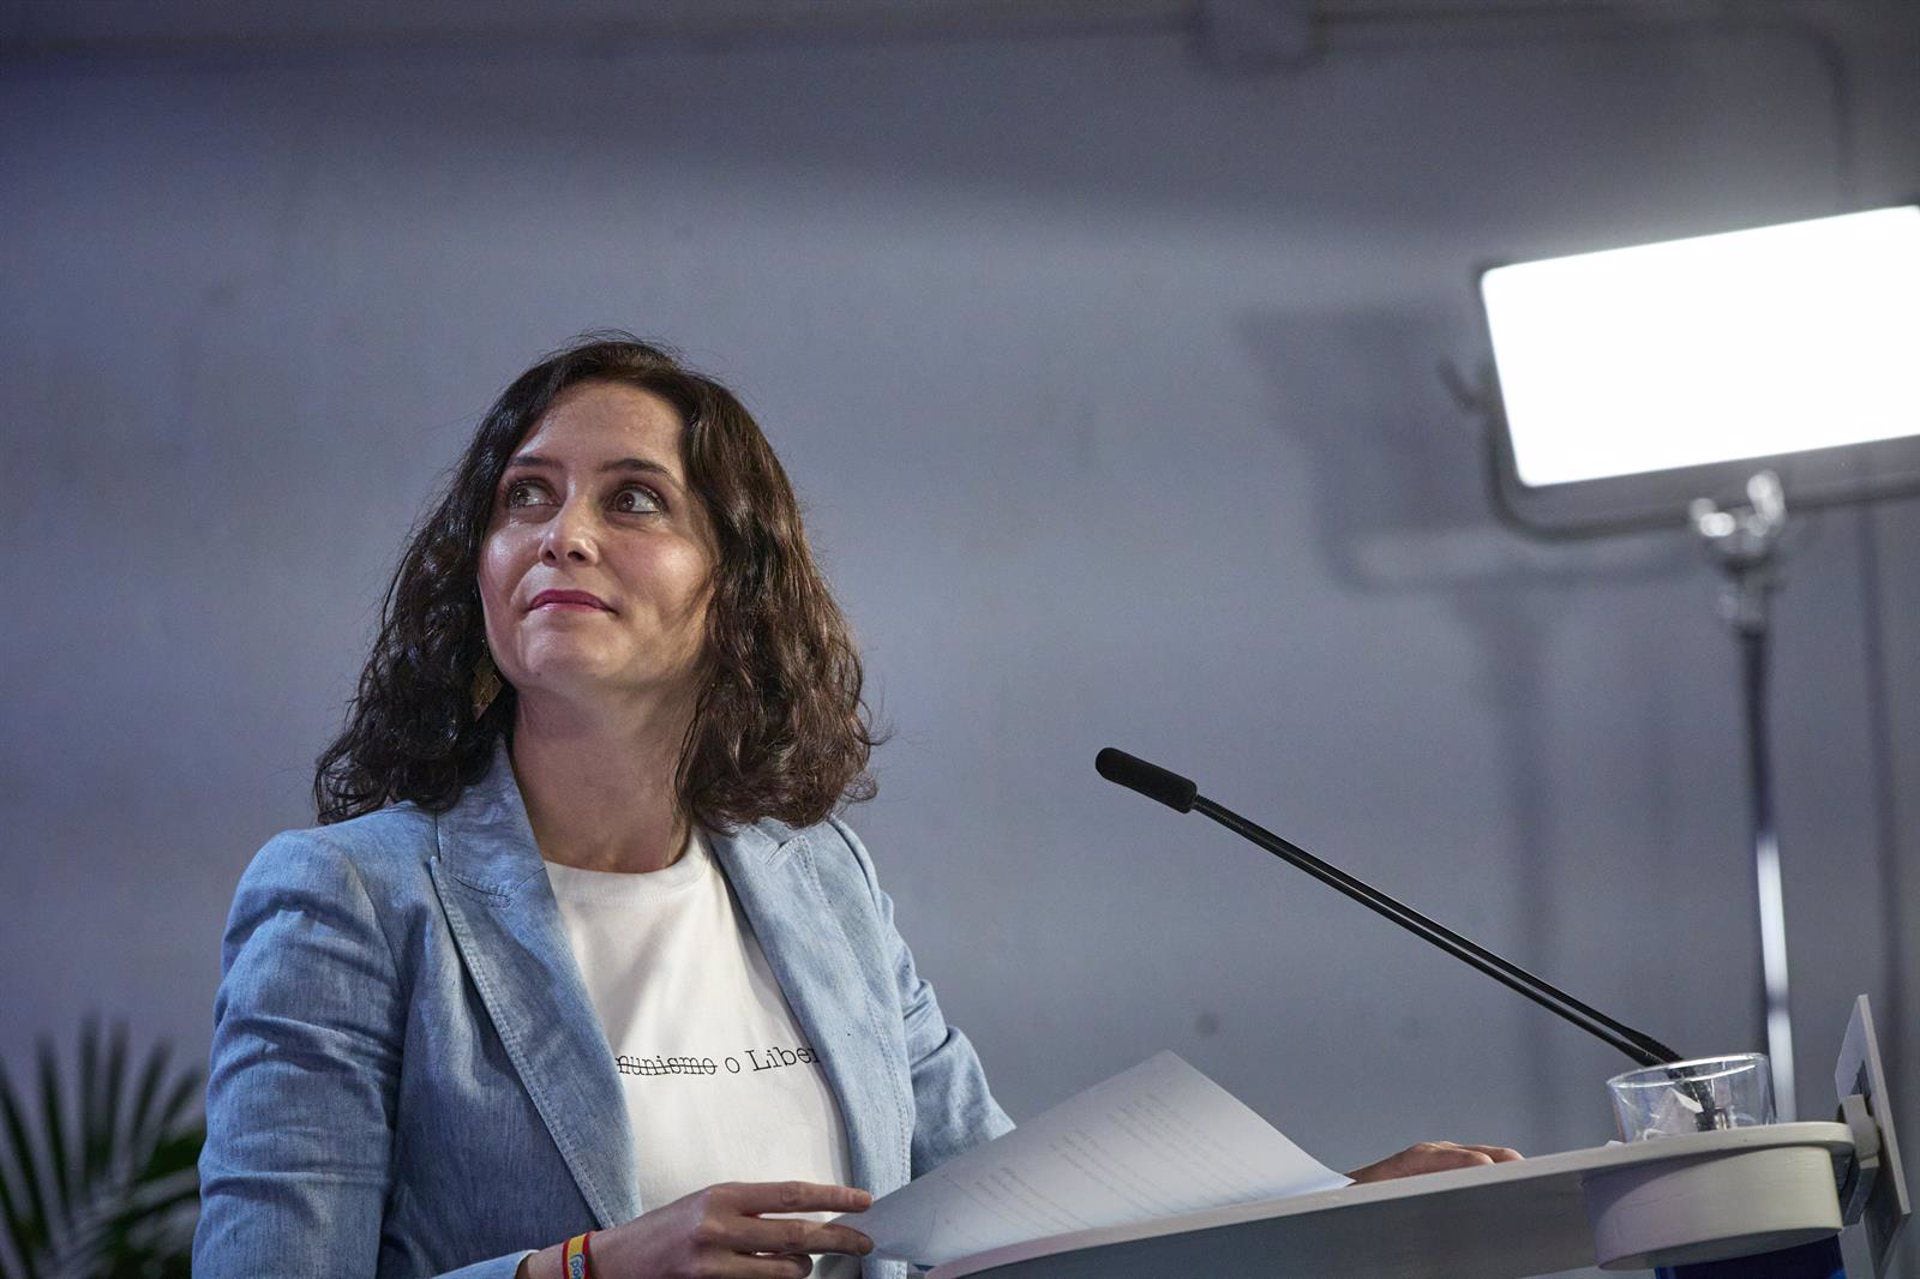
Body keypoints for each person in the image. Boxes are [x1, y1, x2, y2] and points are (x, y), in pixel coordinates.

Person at [193, 334, 1518, 1279]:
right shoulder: (350, 898)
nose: (564, 533)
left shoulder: (821, 884)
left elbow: (1011, 1212)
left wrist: (1325, 1218)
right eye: (524, 497)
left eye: (632, 498)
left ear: (735, 587)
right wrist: (585, 1274)